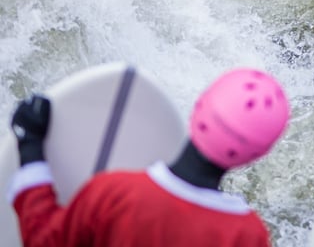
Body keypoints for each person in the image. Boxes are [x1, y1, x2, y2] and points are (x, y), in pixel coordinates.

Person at [8, 68, 290, 246]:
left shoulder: (116, 193)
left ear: (199, 107)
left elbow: (42, 240)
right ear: (257, 154)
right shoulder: (249, 235)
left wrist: (30, 144)